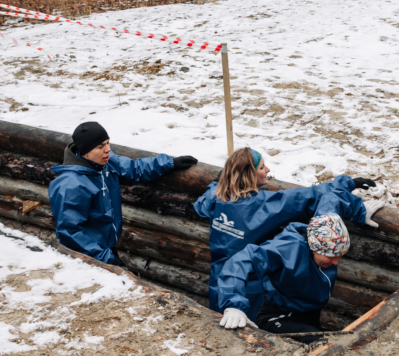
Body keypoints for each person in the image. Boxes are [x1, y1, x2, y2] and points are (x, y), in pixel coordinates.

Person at [194, 147, 381, 320]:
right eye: (261, 167)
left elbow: (200, 205)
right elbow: (312, 195)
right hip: (249, 284)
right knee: (244, 332)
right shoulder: (267, 205)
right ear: (249, 175)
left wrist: (217, 182)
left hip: (218, 280)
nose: (267, 170)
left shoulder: (214, 199)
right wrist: (348, 184)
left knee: (219, 323)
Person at [217, 194, 380, 339]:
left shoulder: (325, 227)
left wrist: (359, 210)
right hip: (279, 317)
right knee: (323, 343)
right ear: (315, 247)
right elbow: (240, 261)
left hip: (309, 313)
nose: (336, 263)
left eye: (339, 257)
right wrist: (233, 304)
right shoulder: (285, 250)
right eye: (331, 257)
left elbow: (331, 199)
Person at [48, 121, 198, 264]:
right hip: (89, 255)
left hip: (105, 248)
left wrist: (169, 163)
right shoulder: (72, 185)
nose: (108, 149)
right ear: (85, 152)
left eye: (108, 143)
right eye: (101, 146)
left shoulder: (106, 163)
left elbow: (134, 168)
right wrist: (106, 258)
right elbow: (70, 232)